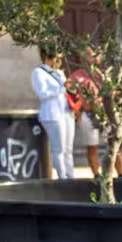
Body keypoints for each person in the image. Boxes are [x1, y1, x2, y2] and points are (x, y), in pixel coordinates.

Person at [31, 50, 75, 180]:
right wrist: (62, 87)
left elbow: (66, 91)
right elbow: (42, 94)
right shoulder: (38, 73)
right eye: (57, 58)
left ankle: (71, 176)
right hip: (52, 114)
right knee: (58, 148)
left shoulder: (60, 73)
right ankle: (62, 177)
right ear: (48, 57)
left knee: (68, 149)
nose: (59, 61)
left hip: (66, 112)